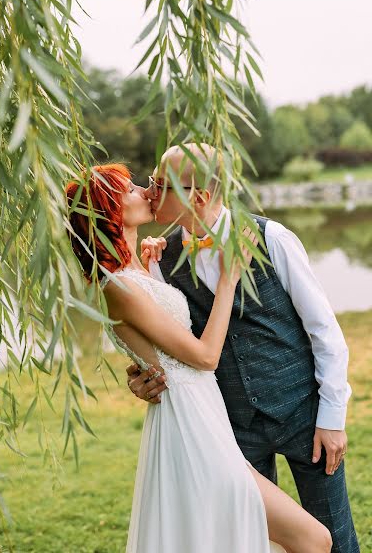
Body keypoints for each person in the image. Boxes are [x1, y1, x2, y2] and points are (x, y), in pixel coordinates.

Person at [65, 163, 332, 553]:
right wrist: (228, 279)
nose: (145, 191)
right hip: (191, 429)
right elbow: (205, 357)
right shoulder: (116, 285)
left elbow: (159, 339)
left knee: (242, 539)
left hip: (206, 418)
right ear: (109, 211)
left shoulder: (137, 268)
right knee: (312, 540)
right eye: (130, 190)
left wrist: (153, 261)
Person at [127, 143, 360, 553]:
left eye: (161, 184)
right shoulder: (160, 260)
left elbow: (324, 331)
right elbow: (167, 346)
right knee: (249, 540)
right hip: (232, 428)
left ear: (197, 197)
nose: (150, 190)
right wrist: (142, 375)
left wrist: (332, 417)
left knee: (335, 540)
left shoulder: (273, 238)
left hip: (304, 416)